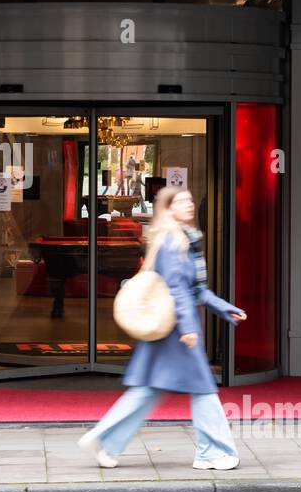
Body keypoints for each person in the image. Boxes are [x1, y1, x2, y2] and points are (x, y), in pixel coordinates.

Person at [78, 186, 247, 470]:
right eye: (180, 202)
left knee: (149, 390)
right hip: (178, 332)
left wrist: (224, 308)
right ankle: (213, 452)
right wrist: (189, 329)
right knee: (203, 389)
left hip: (172, 329)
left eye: (190, 200)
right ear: (167, 210)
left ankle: (105, 441)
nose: (189, 205)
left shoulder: (184, 240)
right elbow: (179, 291)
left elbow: (197, 290)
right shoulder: (173, 242)